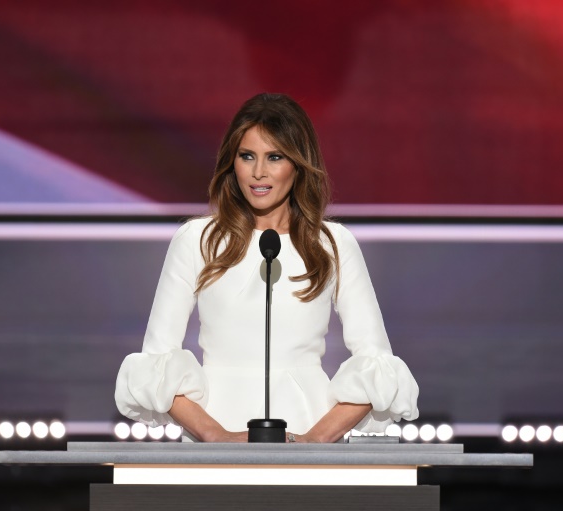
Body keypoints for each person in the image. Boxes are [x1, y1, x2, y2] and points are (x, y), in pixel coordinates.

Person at [115, 92, 418, 442]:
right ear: (233, 163)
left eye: (274, 157)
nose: (258, 172)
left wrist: (314, 442)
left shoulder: (333, 244)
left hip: (307, 427)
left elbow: (378, 364)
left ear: (298, 164)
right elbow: (156, 359)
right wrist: (218, 437)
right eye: (247, 156)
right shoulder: (197, 240)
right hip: (214, 428)